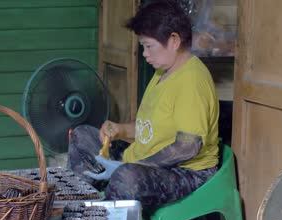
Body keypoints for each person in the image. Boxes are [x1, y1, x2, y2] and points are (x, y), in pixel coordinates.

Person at [67, 0, 219, 209]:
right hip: (142, 160)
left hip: (185, 172)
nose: (145, 54)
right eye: (143, 47)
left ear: (174, 40)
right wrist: (120, 130)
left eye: (149, 47)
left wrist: (131, 165)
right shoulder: (162, 72)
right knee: (82, 135)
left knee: (128, 177)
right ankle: (85, 206)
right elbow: (149, 129)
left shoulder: (192, 80)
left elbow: (188, 146)